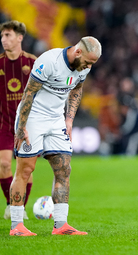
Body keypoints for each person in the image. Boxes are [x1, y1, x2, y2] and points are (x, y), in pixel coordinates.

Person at [9, 36, 101, 236]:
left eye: (92, 63)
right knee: (25, 170)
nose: (89, 66)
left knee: (64, 169)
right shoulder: (49, 61)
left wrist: (69, 119)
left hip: (56, 119)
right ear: (78, 52)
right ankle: (16, 225)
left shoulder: (84, 66)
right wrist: (21, 126)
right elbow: (28, 94)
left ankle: (61, 225)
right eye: (88, 61)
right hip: (33, 116)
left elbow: (77, 89)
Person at [0, 20, 36, 220]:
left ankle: (20, 206)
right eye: (2, 36)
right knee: (4, 165)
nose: (4, 40)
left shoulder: (32, 63)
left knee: (25, 169)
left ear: (19, 37)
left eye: (8, 35)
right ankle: (10, 203)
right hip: (4, 124)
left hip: (28, 126)